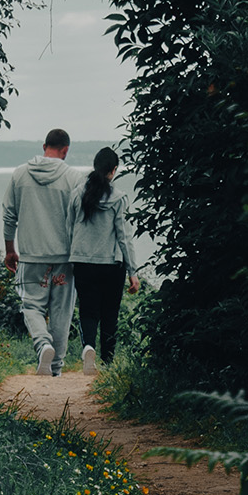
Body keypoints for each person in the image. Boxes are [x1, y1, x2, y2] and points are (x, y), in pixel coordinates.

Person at [2, 128, 80, 377]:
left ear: (44, 146)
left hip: (31, 257)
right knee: (61, 314)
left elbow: (9, 215)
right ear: (65, 150)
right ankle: (55, 369)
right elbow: (81, 220)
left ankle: (43, 344)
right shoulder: (74, 178)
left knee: (31, 307)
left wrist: (10, 250)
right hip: (65, 258)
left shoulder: (20, 174)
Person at [68, 146, 140, 374]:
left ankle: (88, 347)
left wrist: (69, 258)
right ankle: (108, 363)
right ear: (114, 170)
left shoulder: (77, 193)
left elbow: (69, 228)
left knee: (88, 311)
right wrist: (133, 271)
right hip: (111, 264)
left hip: (82, 262)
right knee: (110, 313)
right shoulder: (119, 198)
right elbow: (124, 236)